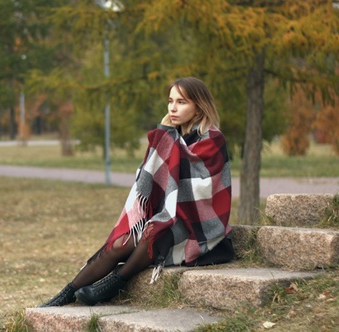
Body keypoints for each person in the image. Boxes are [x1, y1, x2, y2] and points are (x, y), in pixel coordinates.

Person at [38, 77, 234, 307]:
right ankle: (64, 295)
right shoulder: (169, 136)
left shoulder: (212, 139)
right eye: (170, 101)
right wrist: (165, 136)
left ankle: (112, 285)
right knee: (121, 244)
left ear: (199, 105)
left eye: (181, 102)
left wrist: (167, 140)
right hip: (166, 213)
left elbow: (206, 189)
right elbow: (149, 176)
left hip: (196, 222)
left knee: (153, 236)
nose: (173, 107)